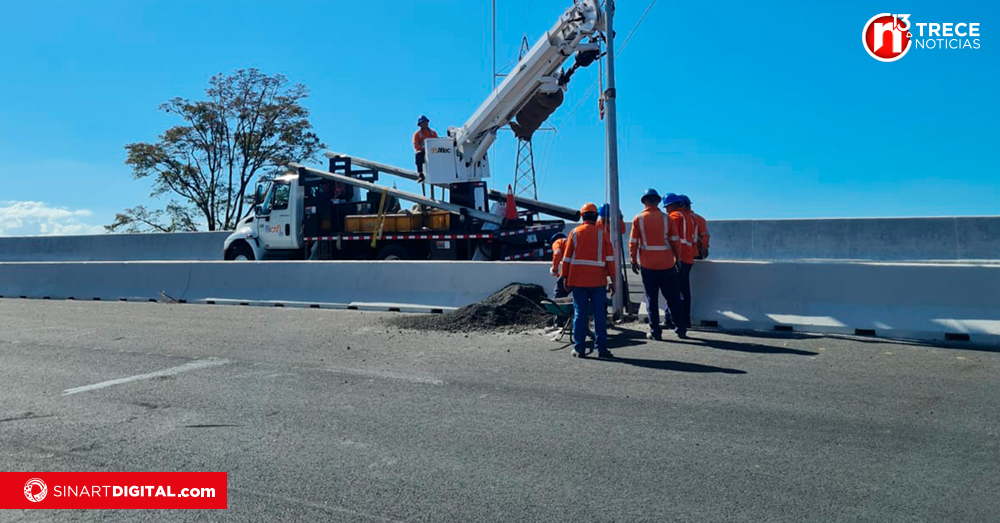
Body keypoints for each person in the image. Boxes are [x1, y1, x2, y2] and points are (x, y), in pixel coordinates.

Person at [629, 189, 687, 340]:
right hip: (667, 265)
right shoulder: (667, 219)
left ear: (644, 202)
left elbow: (633, 242)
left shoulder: (639, 219)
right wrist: (678, 259)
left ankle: (655, 332)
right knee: (673, 298)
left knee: (651, 299)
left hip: (648, 266)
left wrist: (634, 260)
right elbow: (675, 241)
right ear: (658, 201)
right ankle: (681, 329)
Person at [562, 203, 616, 358]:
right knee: (599, 315)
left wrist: (565, 277)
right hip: (598, 281)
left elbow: (566, 258)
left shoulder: (574, 233)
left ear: (582, 216)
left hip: (578, 281)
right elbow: (610, 260)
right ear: (596, 217)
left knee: (580, 313)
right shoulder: (603, 234)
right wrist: (613, 280)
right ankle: (602, 349)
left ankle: (579, 349)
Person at [665, 193, 697, 330]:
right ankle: (685, 319)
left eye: (667, 206)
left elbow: (668, 237)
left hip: (678, 258)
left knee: (673, 291)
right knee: (684, 290)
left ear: (673, 205)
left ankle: (673, 320)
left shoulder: (674, 217)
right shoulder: (689, 218)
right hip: (687, 258)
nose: (666, 210)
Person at [413, 115, 438, 183]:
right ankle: (420, 174)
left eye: (426, 122)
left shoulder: (433, 133)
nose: (425, 124)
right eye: (423, 122)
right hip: (423, 152)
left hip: (433, 151)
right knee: (418, 155)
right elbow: (416, 146)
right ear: (420, 124)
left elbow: (438, 143)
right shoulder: (417, 134)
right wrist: (424, 149)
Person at [684, 195, 710, 259]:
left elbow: (705, 235)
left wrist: (704, 247)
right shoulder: (699, 218)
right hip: (695, 251)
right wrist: (705, 247)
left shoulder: (681, 218)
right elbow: (705, 235)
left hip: (691, 251)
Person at [549, 232, 569, 298]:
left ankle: (556, 307)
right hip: (580, 271)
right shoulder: (570, 242)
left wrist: (554, 269)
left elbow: (557, 253)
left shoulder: (557, 242)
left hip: (569, 272)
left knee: (559, 293)